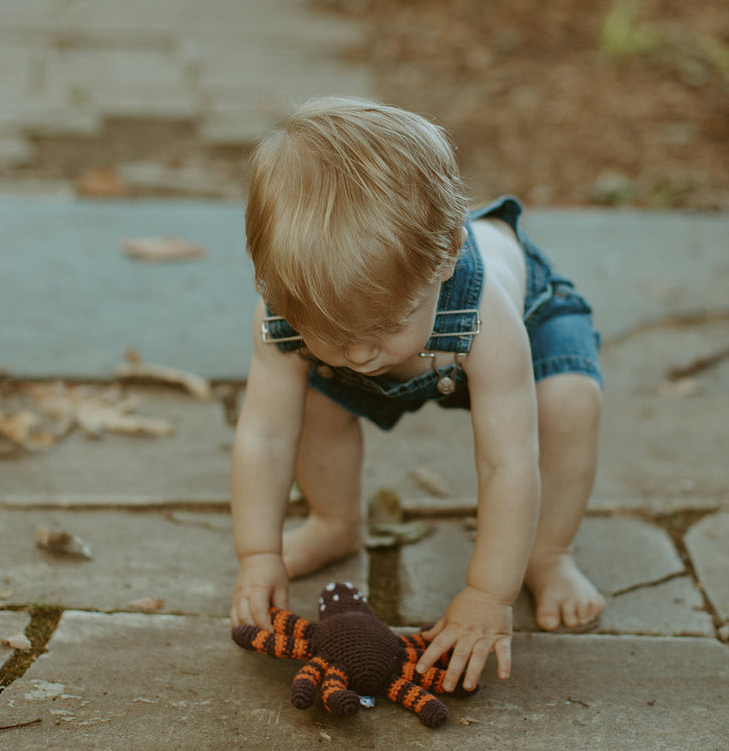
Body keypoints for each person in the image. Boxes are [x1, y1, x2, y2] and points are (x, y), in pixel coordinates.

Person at [229, 96, 605, 693]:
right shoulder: (288, 309)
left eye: (382, 328)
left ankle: (549, 552)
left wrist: (487, 593)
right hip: (421, 336)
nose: (360, 355)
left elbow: (506, 460)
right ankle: (334, 520)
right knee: (315, 394)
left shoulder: (487, 311)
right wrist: (257, 553)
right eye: (333, 331)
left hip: (517, 324)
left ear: (447, 255)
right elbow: (265, 435)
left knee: (569, 403)